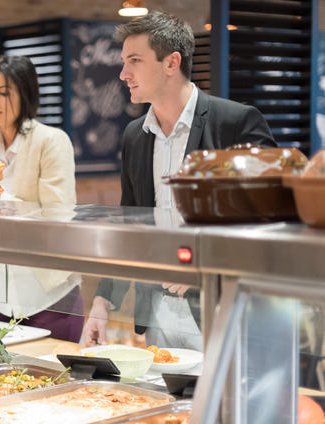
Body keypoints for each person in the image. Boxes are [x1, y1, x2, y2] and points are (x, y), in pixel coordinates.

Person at [82, 12, 277, 350]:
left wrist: (204, 259)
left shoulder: (236, 122)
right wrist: (103, 302)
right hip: (156, 315)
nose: (123, 73)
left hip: (226, 309)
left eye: (135, 61)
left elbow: (273, 215)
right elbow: (132, 224)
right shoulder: (134, 135)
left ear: (172, 63)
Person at [0, 55, 83, 342]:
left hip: (50, 297)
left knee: (57, 381)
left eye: (4, 93)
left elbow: (58, 217)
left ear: (25, 93)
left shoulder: (52, 141)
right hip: (0, 302)